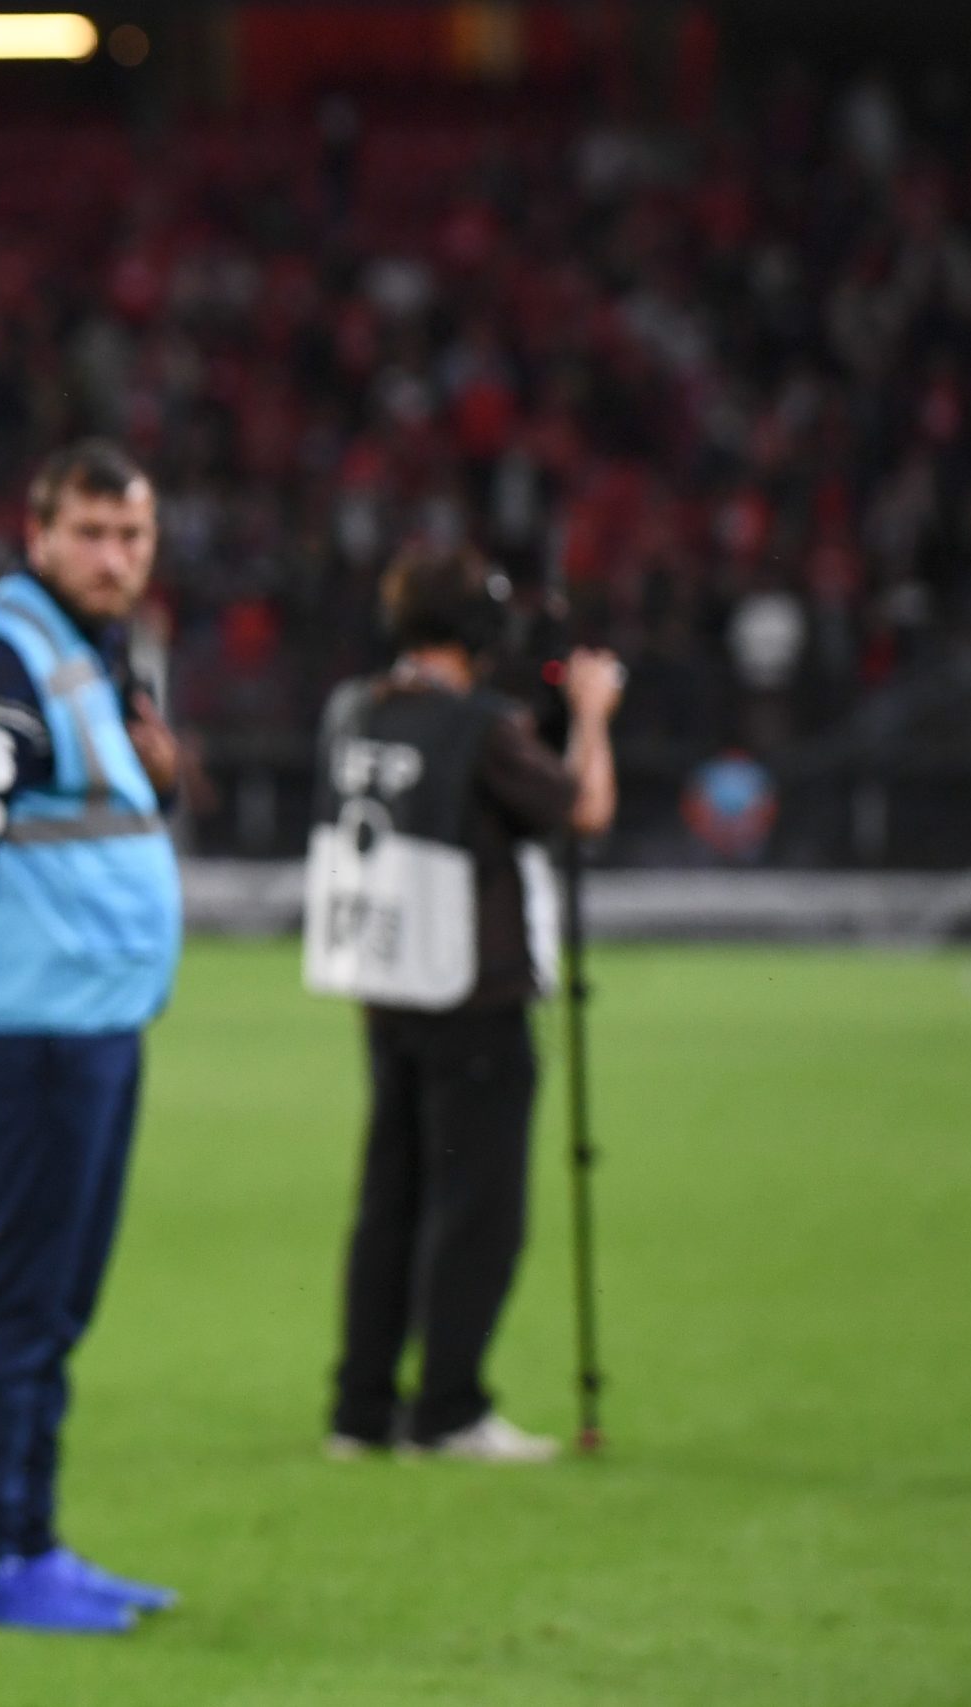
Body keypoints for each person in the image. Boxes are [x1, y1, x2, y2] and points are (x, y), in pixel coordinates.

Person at [0, 441, 185, 1634]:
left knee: (55, 1302)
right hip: (32, 1025)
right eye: (91, 533)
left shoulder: (89, 651)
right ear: (39, 533)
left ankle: (34, 1541)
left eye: (132, 537)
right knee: (20, 1299)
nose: (114, 558)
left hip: (90, 1018)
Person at [305, 546, 621, 1464]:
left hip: (384, 986)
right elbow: (581, 808)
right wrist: (592, 717)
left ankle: (359, 1410)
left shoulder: (351, 709)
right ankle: (447, 1409)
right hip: (472, 994)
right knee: (478, 1208)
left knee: (388, 1202)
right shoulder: (479, 726)